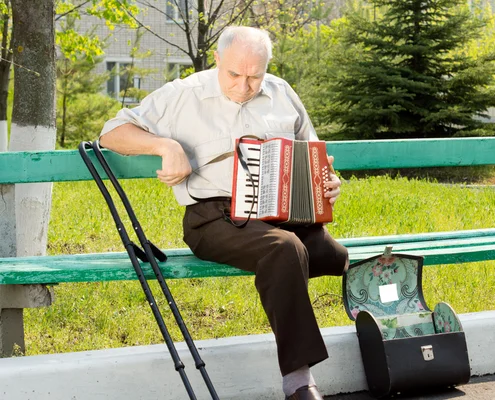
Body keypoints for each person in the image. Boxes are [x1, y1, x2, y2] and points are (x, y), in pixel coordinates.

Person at [99, 26, 349, 400]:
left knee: (336, 256)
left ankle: (378, 318)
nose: (245, 86)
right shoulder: (183, 94)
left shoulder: (281, 92)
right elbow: (110, 132)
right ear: (217, 59)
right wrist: (164, 145)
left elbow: (314, 154)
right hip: (212, 218)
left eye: (254, 76)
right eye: (234, 74)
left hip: (278, 212)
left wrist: (328, 182)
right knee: (285, 251)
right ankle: (299, 382)